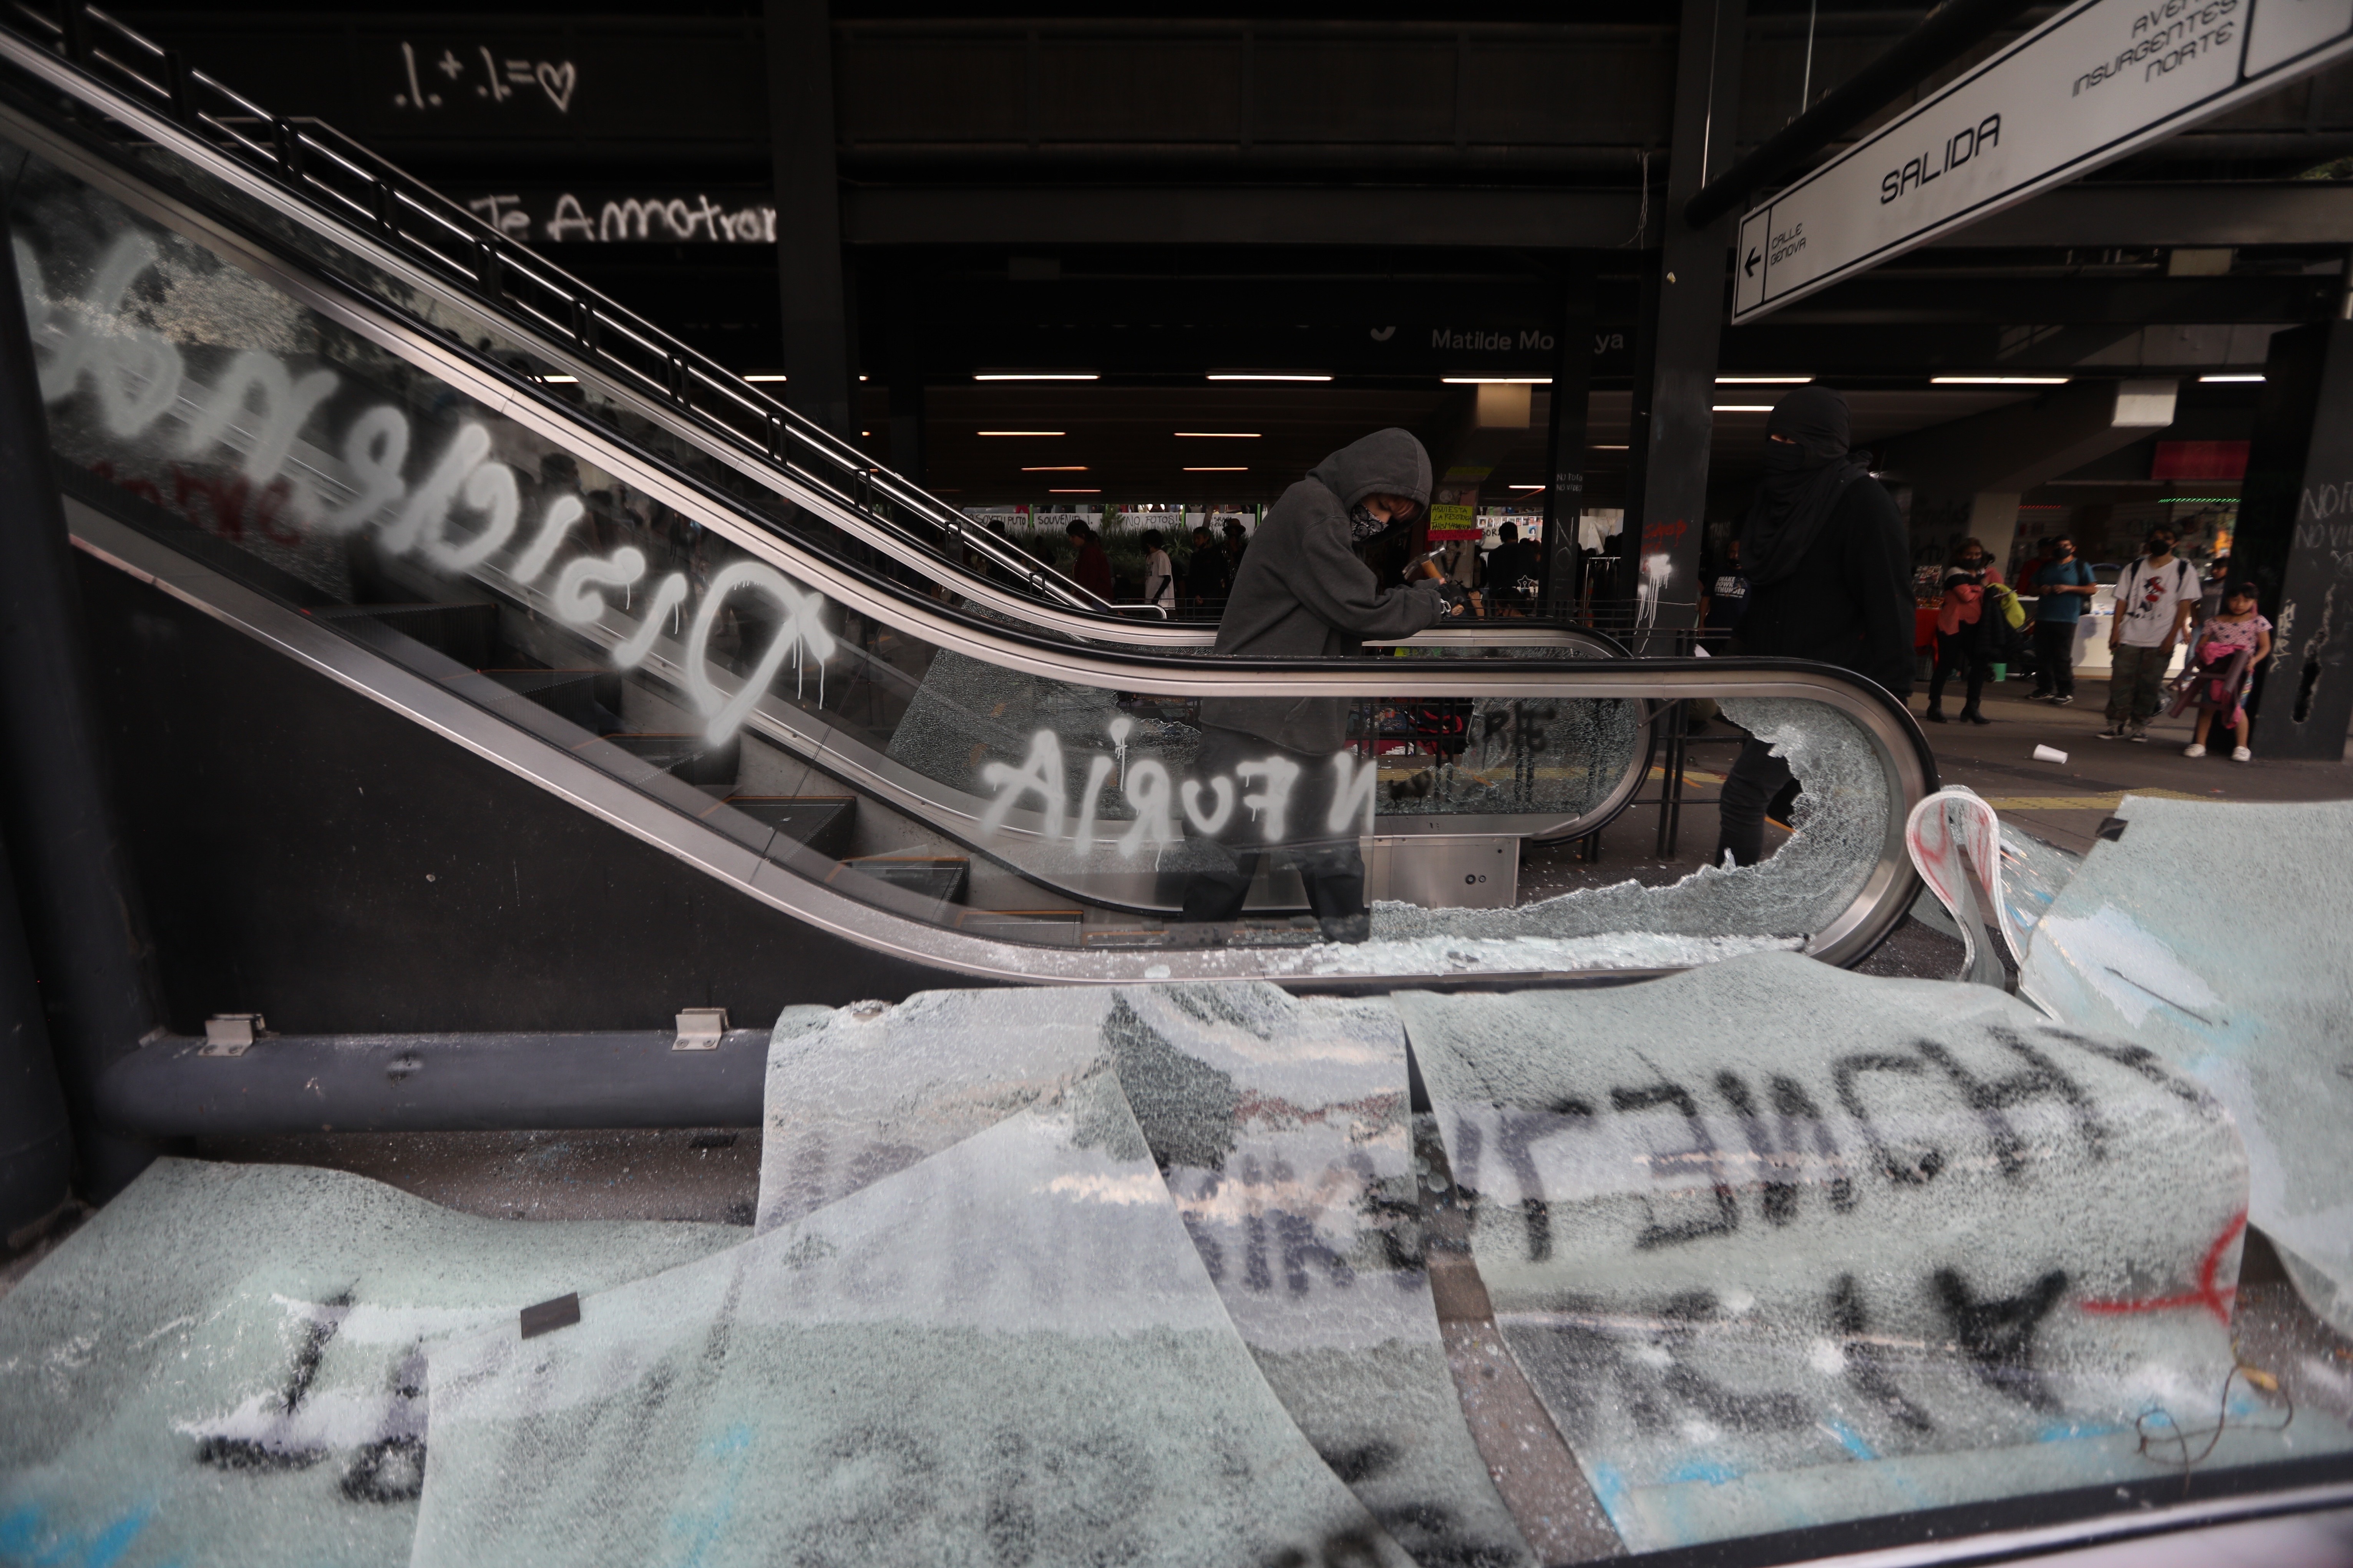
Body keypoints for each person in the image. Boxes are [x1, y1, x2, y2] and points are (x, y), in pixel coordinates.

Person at [1182, 428, 1460, 940]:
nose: (1379, 522)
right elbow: (1359, 608)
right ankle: (1344, 971)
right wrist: (1431, 601)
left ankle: (1200, 971)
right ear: (1361, 479)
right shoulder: (1315, 510)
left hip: (1284, 716)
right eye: (1380, 505)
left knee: (1243, 861)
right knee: (1271, 859)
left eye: (1393, 518)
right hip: (1261, 717)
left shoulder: (1320, 514)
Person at [1712, 385, 1913, 868]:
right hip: (1774, 680)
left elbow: (1890, 604)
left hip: (1826, 684)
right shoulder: (1773, 502)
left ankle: (1724, 904)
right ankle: (1857, 884)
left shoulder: (1862, 502)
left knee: (1744, 793)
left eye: (1792, 439)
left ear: (1824, 441)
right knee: (1793, 799)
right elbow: (1771, 596)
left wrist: (1892, 703)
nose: (1778, 448)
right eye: (1773, 437)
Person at [2099, 524, 2201, 741]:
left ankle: (2140, 726)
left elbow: (2184, 606)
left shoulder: (2184, 570)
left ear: (2175, 543)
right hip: (2130, 633)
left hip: (2161, 637)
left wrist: (2172, 636)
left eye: (2166, 538)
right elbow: (2121, 602)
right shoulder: (2134, 568)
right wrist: (2115, 631)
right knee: (2120, 680)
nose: (2160, 541)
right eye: (2155, 537)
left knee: (2150, 683)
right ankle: (2116, 723)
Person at [2174, 582, 2272, 761]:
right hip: (2215, 670)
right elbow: (2202, 645)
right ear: (2228, 600)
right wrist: (2204, 659)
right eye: (2235, 600)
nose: (2240, 605)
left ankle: (2242, 747)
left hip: (2241, 672)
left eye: (2246, 601)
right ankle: (2200, 744)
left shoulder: (2258, 622)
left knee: (2238, 706)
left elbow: (2265, 647)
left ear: (2254, 602)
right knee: (2207, 706)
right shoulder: (2214, 621)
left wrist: (2254, 661)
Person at [1925, 539, 2003, 725]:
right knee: (1945, 665)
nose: (1973, 558)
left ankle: (1972, 707)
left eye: (1977, 555)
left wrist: (1984, 581)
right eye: (1969, 554)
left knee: (1980, 664)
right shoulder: (1954, 573)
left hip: (1976, 627)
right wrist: (1982, 586)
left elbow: (1999, 586)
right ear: (1960, 555)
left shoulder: (1982, 573)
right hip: (1952, 626)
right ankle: (1934, 706)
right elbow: (1966, 596)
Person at [2026, 535, 2096, 705]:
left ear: (2073, 548)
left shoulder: (2081, 566)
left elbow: (2092, 589)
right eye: (2058, 546)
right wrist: (2040, 590)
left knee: (2061, 655)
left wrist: (2068, 588)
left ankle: (2066, 690)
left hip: (2067, 617)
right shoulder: (2046, 567)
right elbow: (2030, 589)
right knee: (2043, 655)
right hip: (2044, 616)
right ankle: (2045, 688)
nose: (2061, 548)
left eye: (2066, 545)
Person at [1482, 522, 1537, 617]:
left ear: (1502, 537)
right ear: (1517, 534)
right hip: (1522, 599)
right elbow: (1535, 575)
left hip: (1501, 601)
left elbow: (1491, 578)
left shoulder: (1494, 554)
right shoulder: (1528, 551)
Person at [1185, 523, 1227, 617]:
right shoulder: (1196, 556)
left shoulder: (1215, 554)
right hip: (1202, 593)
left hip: (1211, 593)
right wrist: (1196, 594)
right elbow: (1192, 576)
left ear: (1207, 538)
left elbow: (1217, 574)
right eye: (1194, 539)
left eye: (1198, 538)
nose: (1196, 541)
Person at [1066, 519, 1113, 600]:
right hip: (1097, 598)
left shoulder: (1090, 553)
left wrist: (1079, 598)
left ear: (1083, 536)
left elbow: (1089, 582)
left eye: (1073, 536)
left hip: (1095, 599)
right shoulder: (1091, 551)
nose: (1070, 540)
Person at [1140, 529, 1176, 612]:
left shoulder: (1161, 556)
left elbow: (1167, 578)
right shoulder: (1149, 557)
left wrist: (1157, 597)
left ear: (1149, 544)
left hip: (1162, 603)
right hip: (1151, 602)